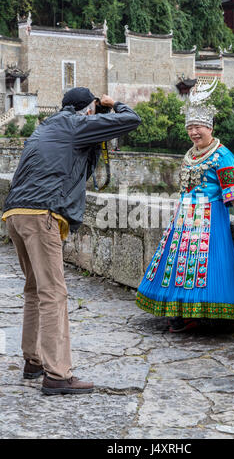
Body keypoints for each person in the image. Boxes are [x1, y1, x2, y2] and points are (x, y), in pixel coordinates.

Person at [1, 87, 141, 395]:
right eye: (94, 107)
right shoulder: (78, 124)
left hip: (15, 212)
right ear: (88, 109)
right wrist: (110, 104)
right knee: (54, 293)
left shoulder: (47, 127)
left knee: (35, 290)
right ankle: (58, 374)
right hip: (42, 214)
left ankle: (34, 360)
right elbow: (132, 119)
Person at [135, 79, 234, 333]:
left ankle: (197, 314)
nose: (194, 132)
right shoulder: (190, 154)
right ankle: (179, 313)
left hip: (210, 218)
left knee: (202, 265)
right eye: (190, 127)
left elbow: (230, 187)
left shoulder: (221, 154)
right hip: (185, 217)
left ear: (209, 127)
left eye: (199, 126)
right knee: (178, 264)